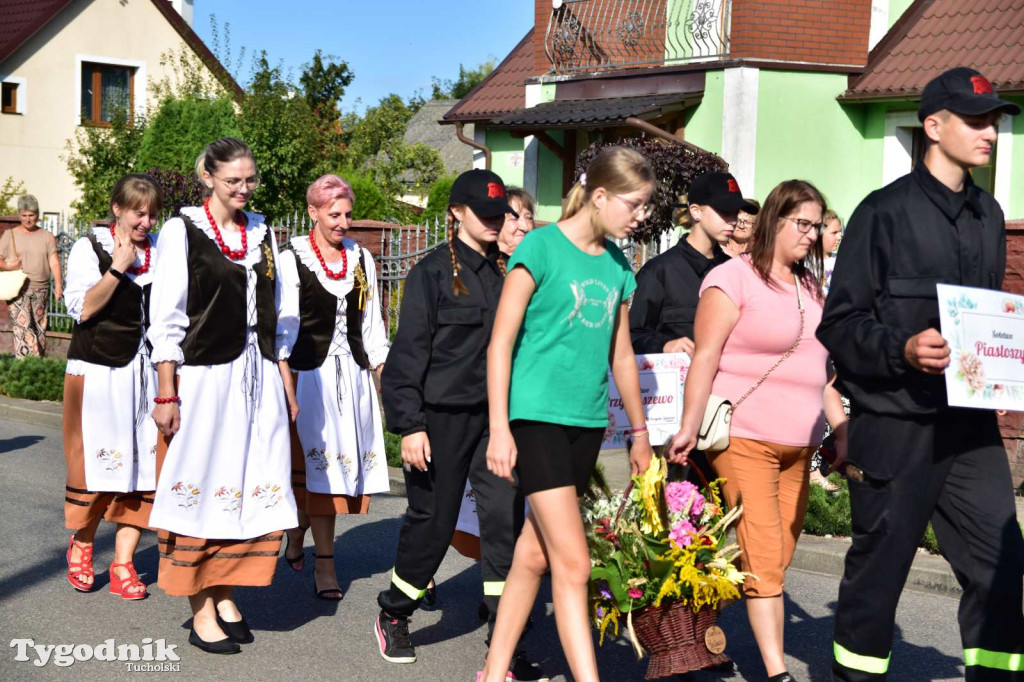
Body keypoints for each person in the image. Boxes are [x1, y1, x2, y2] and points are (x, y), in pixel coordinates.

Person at [818, 67, 1024, 682]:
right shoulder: (882, 213)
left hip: (968, 428)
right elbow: (840, 323)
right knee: (879, 572)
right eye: (975, 120)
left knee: (1001, 560)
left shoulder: (990, 215)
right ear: (933, 127)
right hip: (894, 423)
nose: (990, 132)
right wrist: (901, 349)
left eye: (994, 120)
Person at [481, 146, 655, 682]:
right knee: (575, 564)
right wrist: (499, 429)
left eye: (646, 207)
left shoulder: (619, 265)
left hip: (585, 425)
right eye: (635, 204)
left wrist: (640, 431)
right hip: (536, 419)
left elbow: (621, 354)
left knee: (534, 556)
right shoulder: (540, 246)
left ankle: (491, 674)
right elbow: (500, 344)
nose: (641, 216)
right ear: (599, 196)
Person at [666, 180, 848, 682]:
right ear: (774, 221)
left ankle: (699, 619)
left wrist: (842, 430)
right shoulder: (731, 278)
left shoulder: (810, 287)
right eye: (802, 224)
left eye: (817, 225)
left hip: (802, 444)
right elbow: (705, 357)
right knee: (766, 554)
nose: (811, 235)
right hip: (744, 436)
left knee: (777, 554)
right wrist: (687, 425)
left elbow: (823, 371)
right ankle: (776, 671)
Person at [375, 169, 546, 681]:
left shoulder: (512, 272)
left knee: (503, 525)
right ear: (455, 213)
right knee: (434, 521)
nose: (496, 222)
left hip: (497, 421)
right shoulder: (429, 274)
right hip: (440, 421)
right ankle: (394, 611)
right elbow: (407, 358)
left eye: (502, 214)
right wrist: (409, 426)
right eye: (485, 214)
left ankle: (503, 636)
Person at [147, 138, 298, 655]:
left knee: (248, 481)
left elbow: (277, 312)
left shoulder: (263, 231)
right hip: (204, 376)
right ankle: (200, 607)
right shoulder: (181, 230)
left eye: (250, 179)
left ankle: (226, 590)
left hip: (255, 379)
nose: (244, 188)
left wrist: (283, 378)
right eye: (233, 180)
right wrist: (166, 391)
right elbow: (165, 316)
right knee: (203, 481)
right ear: (207, 177)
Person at [277, 174, 390, 600]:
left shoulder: (361, 259)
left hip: (353, 379)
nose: (343, 222)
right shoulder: (292, 258)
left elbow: (373, 324)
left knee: (330, 477)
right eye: (334, 214)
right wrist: (284, 382)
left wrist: (384, 377)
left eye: (347, 214)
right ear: (313, 212)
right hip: (309, 378)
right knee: (314, 474)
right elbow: (283, 332)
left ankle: (300, 534)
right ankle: (324, 561)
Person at [62, 174, 162, 600]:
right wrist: (118, 267)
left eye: (153, 213)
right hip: (99, 371)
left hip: (147, 375)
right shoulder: (90, 248)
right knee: (97, 469)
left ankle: (123, 563)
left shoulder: (163, 252)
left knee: (142, 473)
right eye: (138, 212)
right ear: (117, 209)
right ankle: (83, 544)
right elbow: (81, 309)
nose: (146, 221)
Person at [0, 194, 63, 357]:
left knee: (40, 328)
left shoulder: (47, 236)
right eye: (24, 215)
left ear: (38, 215)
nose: (28, 219)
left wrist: (58, 284)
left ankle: (37, 365)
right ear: (19, 215)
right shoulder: (9, 235)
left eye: (31, 215)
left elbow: (54, 261)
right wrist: (8, 266)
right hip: (18, 290)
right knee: (24, 328)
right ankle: (27, 363)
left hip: (41, 289)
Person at [496, 187, 536, 256]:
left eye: (528, 218)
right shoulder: (482, 262)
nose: (525, 227)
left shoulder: (540, 260)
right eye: (514, 218)